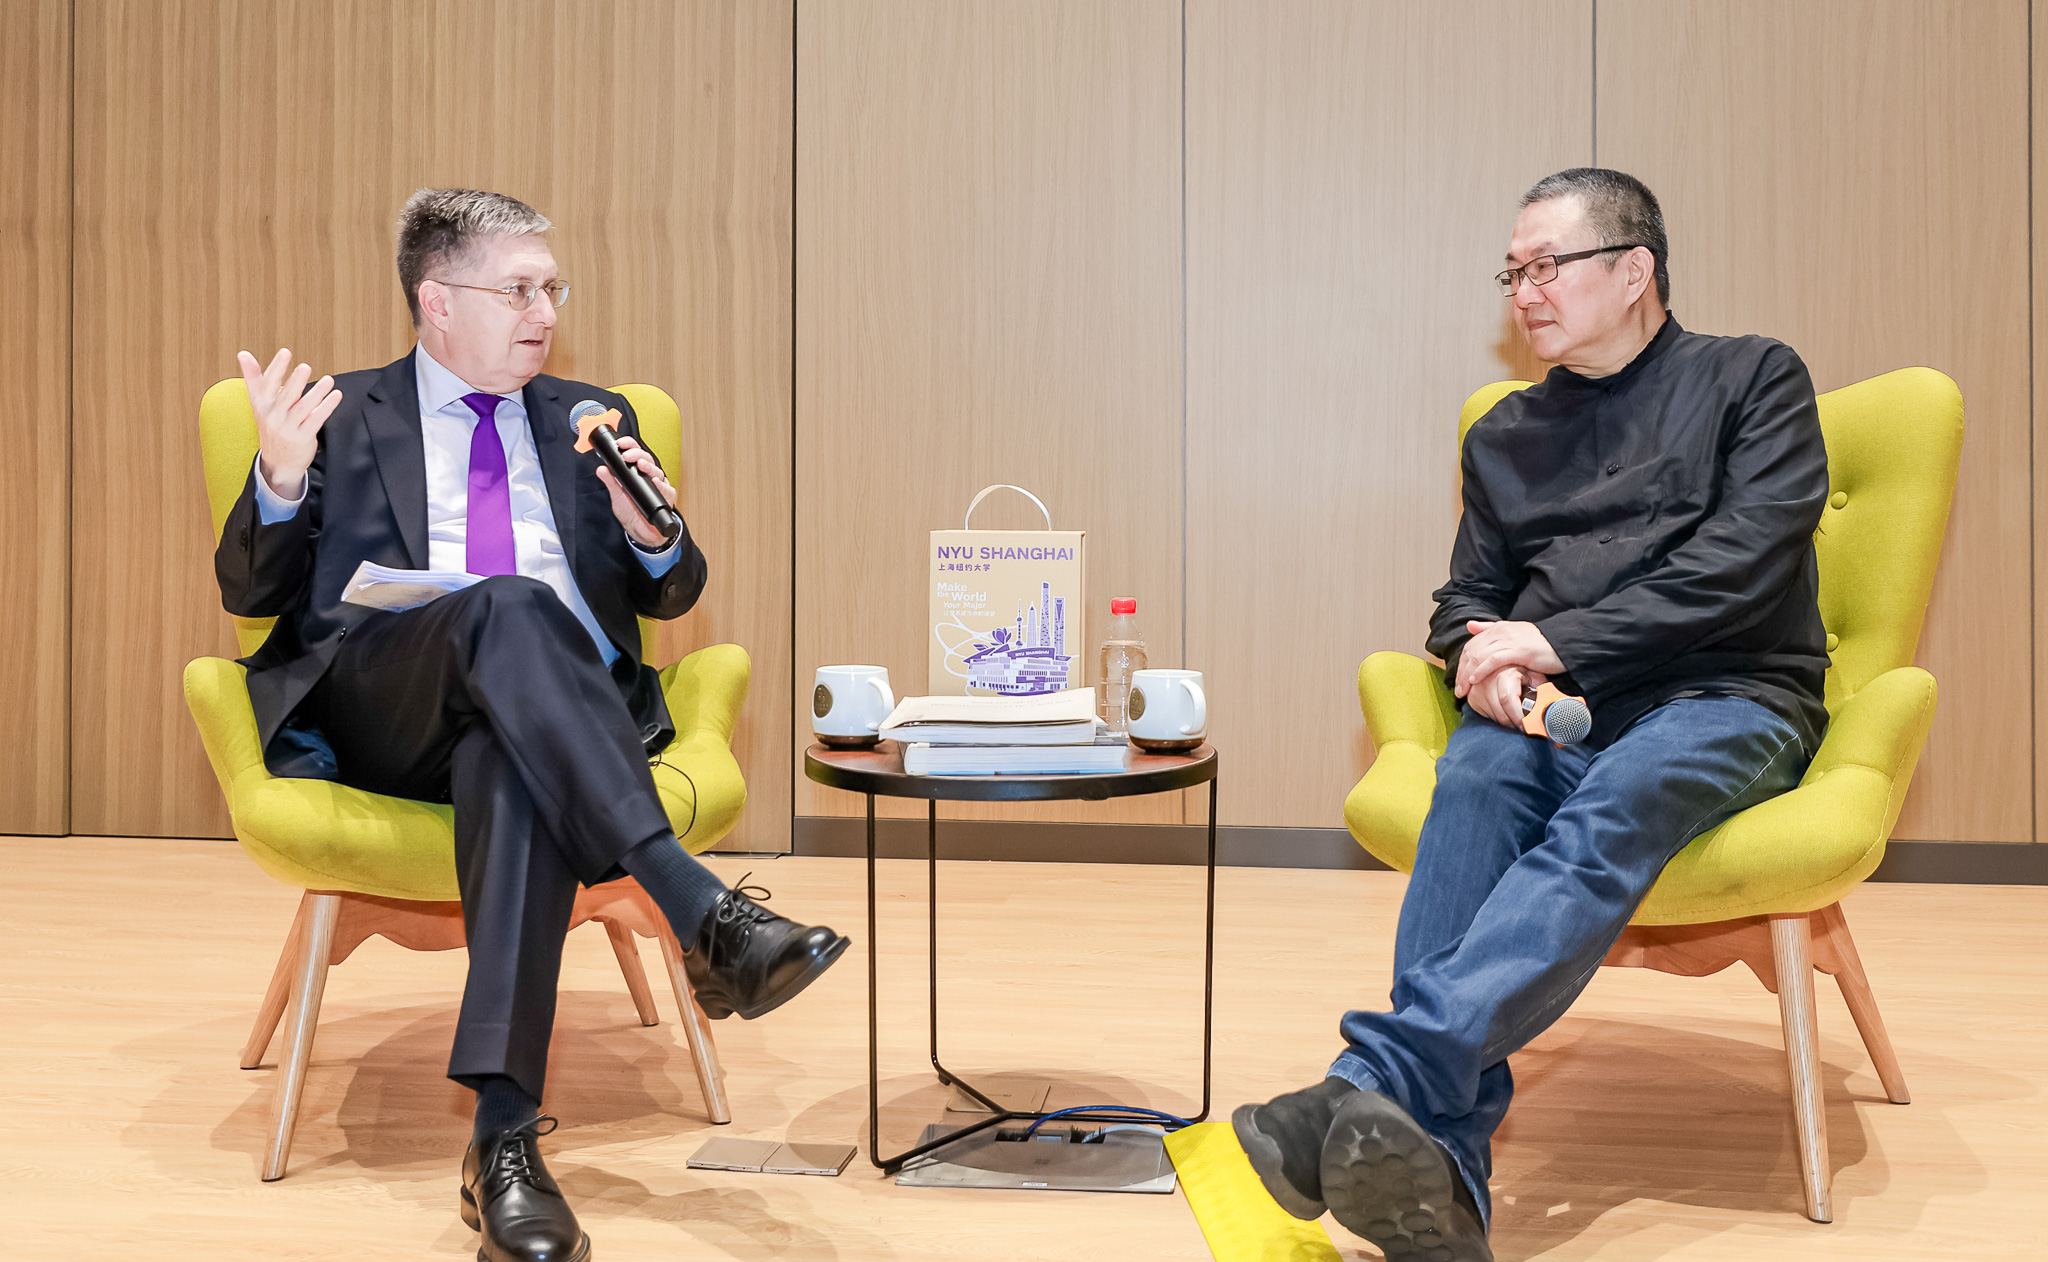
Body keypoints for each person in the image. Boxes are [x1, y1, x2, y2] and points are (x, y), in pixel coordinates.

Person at [216, 188, 847, 1262]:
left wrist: (656, 537)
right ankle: (696, 905)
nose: (544, 311)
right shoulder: (343, 413)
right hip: (389, 702)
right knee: (506, 599)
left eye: (552, 287)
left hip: (561, 723)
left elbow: (671, 594)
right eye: (518, 289)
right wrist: (278, 475)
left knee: (506, 757)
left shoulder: (589, 419)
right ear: (436, 300)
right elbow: (250, 590)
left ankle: (501, 1146)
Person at [1232, 169, 1830, 1261]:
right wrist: (1478, 651)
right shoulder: (1505, 433)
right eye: (1511, 271)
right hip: (1556, 711)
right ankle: (1443, 1190)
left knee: (1625, 794)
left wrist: (1552, 639)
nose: (1522, 291)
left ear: (1633, 267)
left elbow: (1744, 561)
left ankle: (1369, 1080)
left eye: (1544, 265)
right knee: (1471, 778)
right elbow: (1465, 595)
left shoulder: (1750, 377)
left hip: (1727, 692)